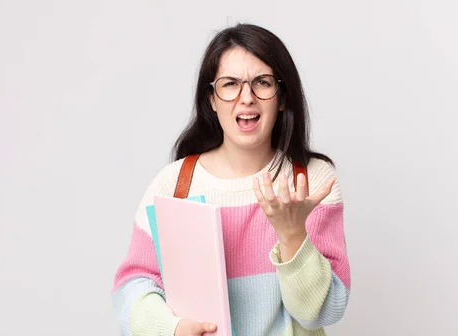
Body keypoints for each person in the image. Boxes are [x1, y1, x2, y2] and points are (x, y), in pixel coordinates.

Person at [111, 23, 351, 336]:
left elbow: (322, 312)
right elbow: (131, 288)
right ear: (211, 99)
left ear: (281, 97)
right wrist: (171, 329)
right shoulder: (173, 186)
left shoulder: (310, 182)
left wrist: (293, 236)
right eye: (230, 84)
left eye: (262, 83)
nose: (246, 97)